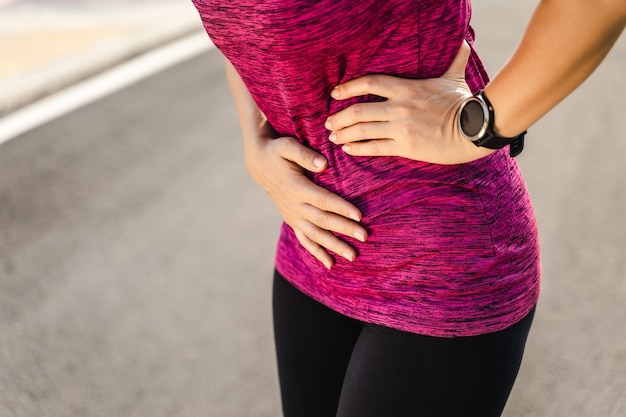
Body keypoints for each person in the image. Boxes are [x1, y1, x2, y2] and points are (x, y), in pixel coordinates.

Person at [190, 1, 626, 416]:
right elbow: (243, 31)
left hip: (442, 262)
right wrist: (255, 140)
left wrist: (476, 124)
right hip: (312, 246)